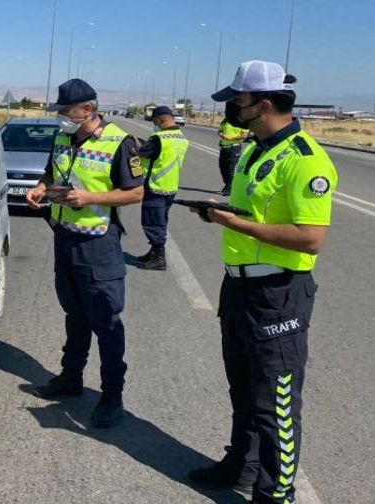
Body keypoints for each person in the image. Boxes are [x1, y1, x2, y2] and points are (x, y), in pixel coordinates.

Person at [187, 61, 337, 504]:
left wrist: (238, 225)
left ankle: (276, 493)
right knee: (243, 388)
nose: (232, 108)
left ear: (264, 104)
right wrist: (217, 209)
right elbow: (251, 212)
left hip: (278, 294)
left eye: (238, 101)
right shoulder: (255, 149)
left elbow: (311, 239)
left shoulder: (305, 159)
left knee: (276, 403)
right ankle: (243, 465)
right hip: (239, 289)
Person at [26, 79, 144, 428]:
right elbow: (54, 172)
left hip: (98, 245)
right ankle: (71, 377)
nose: (61, 117)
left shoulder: (121, 142)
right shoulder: (63, 137)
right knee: (74, 314)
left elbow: (136, 194)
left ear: (88, 110)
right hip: (64, 238)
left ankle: (111, 396)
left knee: (105, 321)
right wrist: (41, 188)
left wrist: (90, 198)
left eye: (66, 111)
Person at [134, 106, 190, 271]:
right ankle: (153, 253)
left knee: (153, 222)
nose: (155, 125)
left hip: (155, 186)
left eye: (155, 122)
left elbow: (142, 152)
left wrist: (137, 148)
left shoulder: (159, 138)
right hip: (170, 186)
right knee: (161, 220)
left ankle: (159, 258)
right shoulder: (180, 137)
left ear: (162, 120)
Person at [218, 118, 251, 196]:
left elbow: (245, 135)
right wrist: (221, 135)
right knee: (222, 167)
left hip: (234, 148)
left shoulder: (241, 122)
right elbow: (219, 131)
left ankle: (230, 187)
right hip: (224, 147)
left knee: (231, 169)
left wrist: (231, 138)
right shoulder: (225, 121)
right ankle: (227, 184)